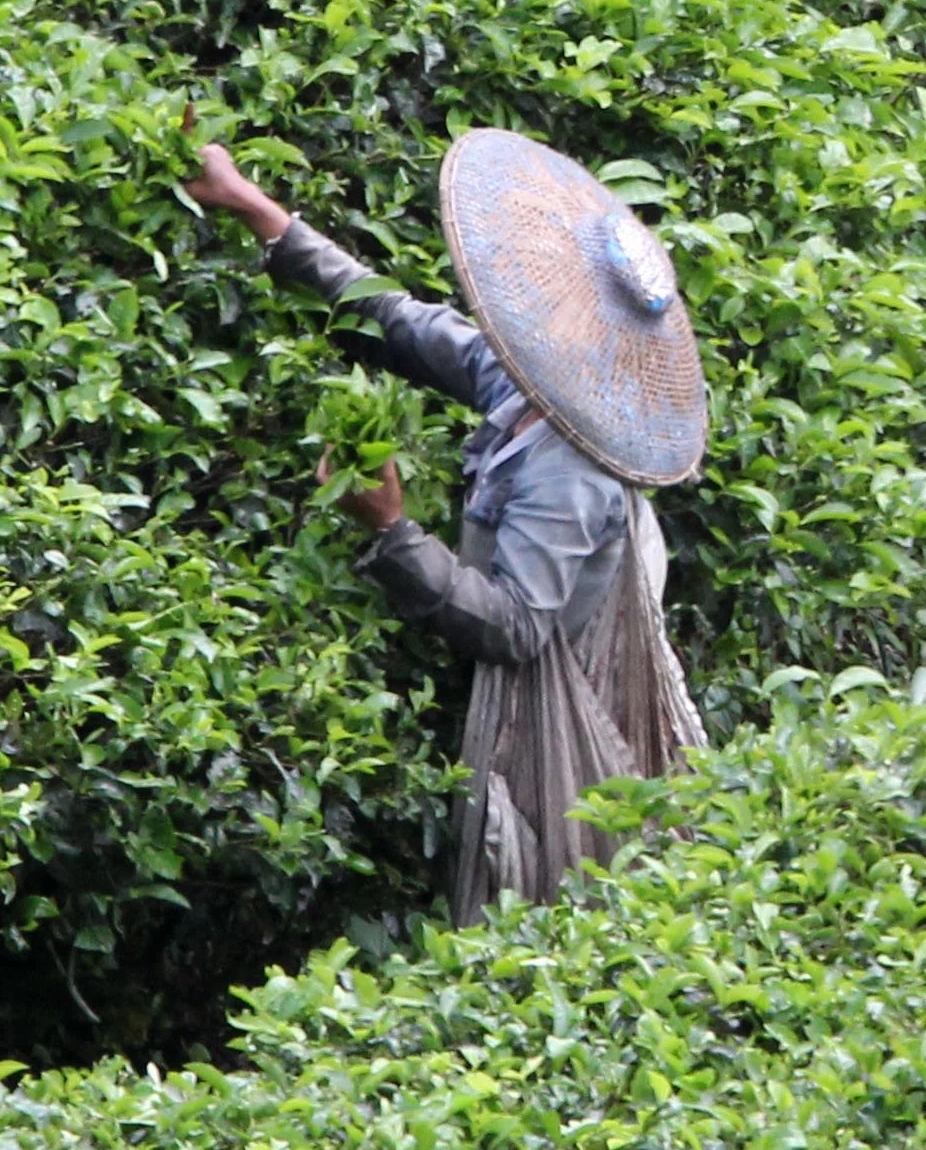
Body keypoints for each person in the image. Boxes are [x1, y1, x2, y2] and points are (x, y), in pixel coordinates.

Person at [187, 126, 707, 926]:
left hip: (557, 700)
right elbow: (396, 320)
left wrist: (394, 533)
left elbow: (519, 626)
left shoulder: (572, 467)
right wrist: (258, 209)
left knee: (535, 888)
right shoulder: (523, 373)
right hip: (539, 649)